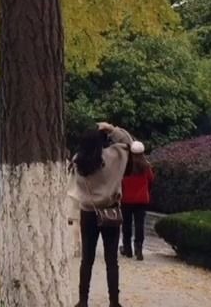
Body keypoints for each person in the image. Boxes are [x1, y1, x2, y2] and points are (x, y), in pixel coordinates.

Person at [69, 122, 134, 307]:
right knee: (111, 260)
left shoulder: (78, 160)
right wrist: (112, 129)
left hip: (88, 212)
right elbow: (129, 142)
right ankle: (114, 301)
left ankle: (83, 300)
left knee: (86, 260)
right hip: (110, 212)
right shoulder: (113, 157)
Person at [120, 141, 153, 260]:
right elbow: (151, 180)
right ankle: (139, 249)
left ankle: (127, 248)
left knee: (126, 224)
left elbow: (120, 181)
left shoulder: (125, 166)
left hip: (126, 199)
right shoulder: (146, 166)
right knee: (140, 225)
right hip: (141, 200)